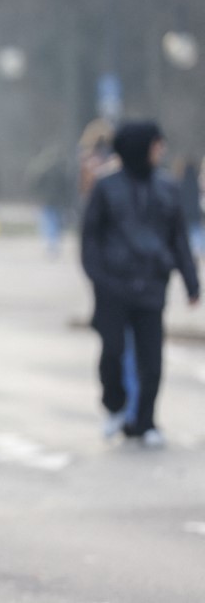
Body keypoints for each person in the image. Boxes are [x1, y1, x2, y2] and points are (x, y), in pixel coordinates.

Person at [80, 121, 200, 447]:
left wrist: (191, 282)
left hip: (151, 285)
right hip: (112, 286)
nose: (161, 150)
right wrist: (98, 277)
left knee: (152, 361)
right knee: (113, 352)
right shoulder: (106, 188)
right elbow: (90, 238)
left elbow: (178, 238)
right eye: (155, 144)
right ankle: (115, 405)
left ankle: (145, 422)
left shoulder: (167, 187)